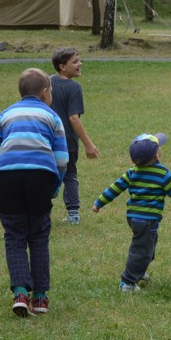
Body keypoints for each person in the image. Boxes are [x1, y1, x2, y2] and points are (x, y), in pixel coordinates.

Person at [0, 68, 68, 317]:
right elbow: (62, 159)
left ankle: (20, 293)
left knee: (14, 234)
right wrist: (55, 184)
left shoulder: (5, 114)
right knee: (39, 234)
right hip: (40, 176)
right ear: (44, 92)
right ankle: (40, 298)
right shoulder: (52, 117)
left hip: (8, 177)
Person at [93, 133, 171, 292]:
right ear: (156, 155)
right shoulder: (162, 172)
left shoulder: (132, 172)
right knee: (141, 249)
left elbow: (115, 188)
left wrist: (99, 202)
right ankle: (127, 282)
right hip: (147, 219)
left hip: (134, 217)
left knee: (148, 246)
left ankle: (139, 270)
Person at [50, 47, 99, 225]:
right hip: (66, 141)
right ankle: (73, 214)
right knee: (69, 174)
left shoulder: (47, 82)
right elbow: (73, 117)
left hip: (46, 139)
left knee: (46, 172)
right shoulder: (74, 88)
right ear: (63, 66)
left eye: (79, 60)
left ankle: (42, 207)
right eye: (75, 62)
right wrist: (88, 144)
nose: (80, 64)